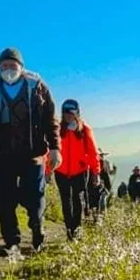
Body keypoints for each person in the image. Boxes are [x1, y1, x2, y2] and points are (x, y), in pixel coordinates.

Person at [0, 47, 61, 251]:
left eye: (13, 65)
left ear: (21, 67)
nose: (8, 69)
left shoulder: (37, 87)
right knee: (4, 200)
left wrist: (55, 148)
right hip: (0, 154)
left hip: (32, 154)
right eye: (4, 66)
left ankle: (37, 227)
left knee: (34, 196)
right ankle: (12, 242)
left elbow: (50, 120)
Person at [54, 99, 101, 240]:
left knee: (78, 199)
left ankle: (77, 228)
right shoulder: (57, 128)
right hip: (61, 170)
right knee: (65, 200)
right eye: (65, 112)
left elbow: (93, 152)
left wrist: (96, 172)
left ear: (77, 113)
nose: (68, 115)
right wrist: (48, 170)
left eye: (71, 112)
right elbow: (50, 149)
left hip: (80, 171)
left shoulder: (84, 129)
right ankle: (69, 230)